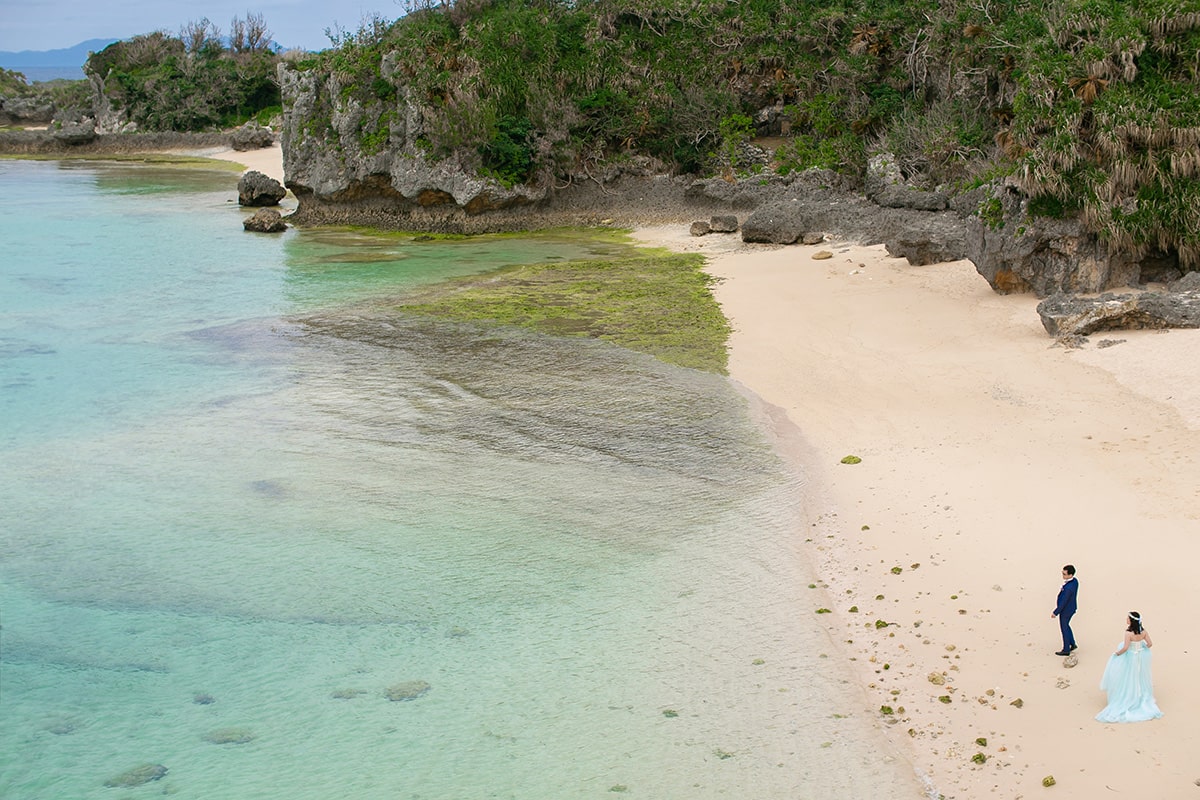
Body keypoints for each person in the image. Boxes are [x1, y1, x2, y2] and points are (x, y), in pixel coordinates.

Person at [1096, 611, 1162, 722]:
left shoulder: (1128, 633)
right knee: (1139, 677)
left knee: (1128, 677)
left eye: (1127, 618)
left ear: (1131, 621)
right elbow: (1150, 644)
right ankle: (1139, 696)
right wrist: (1141, 647)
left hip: (1131, 657)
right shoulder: (1143, 632)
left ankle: (1130, 697)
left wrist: (1117, 653)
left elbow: (1126, 648)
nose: (1126, 619)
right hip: (1140, 657)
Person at [1051, 564, 1078, 656]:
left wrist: (1056, 612)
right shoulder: (1074, 581)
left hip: (1066, 610)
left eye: (1064, 574)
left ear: (1070, 575)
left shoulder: (1068, 588)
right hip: (1071, 608)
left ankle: (1066, 649)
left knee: (1064, 628)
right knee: (1066, 626)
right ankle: (1072, 643)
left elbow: (1064, 602)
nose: (1063, 576)